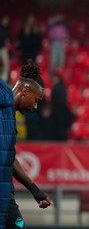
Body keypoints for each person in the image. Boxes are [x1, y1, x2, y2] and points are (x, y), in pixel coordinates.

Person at [0, 59, 53, 229]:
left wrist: (34, 190)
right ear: (25, 91)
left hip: (5, 194)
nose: (36, 106)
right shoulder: (3, 98)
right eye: (36, 100)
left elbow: (9, 157)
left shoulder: (10, 118)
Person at [0, 15, 10, 82]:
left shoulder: (6, 29)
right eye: (5, 19)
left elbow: (8, 38)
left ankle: (4, 80)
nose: (6, 21)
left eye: (7, 20)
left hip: (3, 48)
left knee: (6, 65)